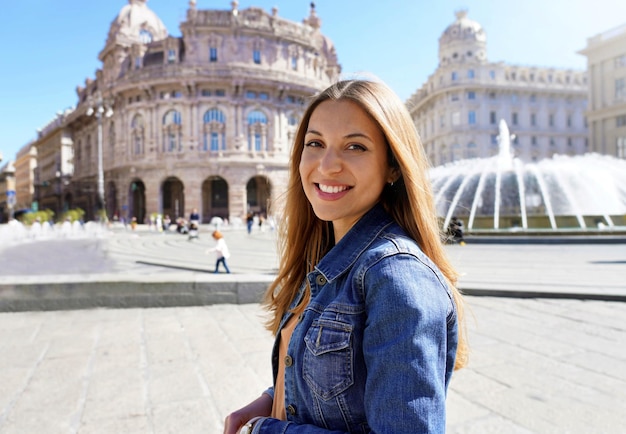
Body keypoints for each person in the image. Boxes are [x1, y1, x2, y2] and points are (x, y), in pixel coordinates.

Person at [223, 79, 468, 433]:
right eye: (315, 143)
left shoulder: (395, 276)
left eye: (355, 146)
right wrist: (272, 398)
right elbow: (338, 383)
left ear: (393, 167)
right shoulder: (327, 257)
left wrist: (263, 430)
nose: (327, 165)